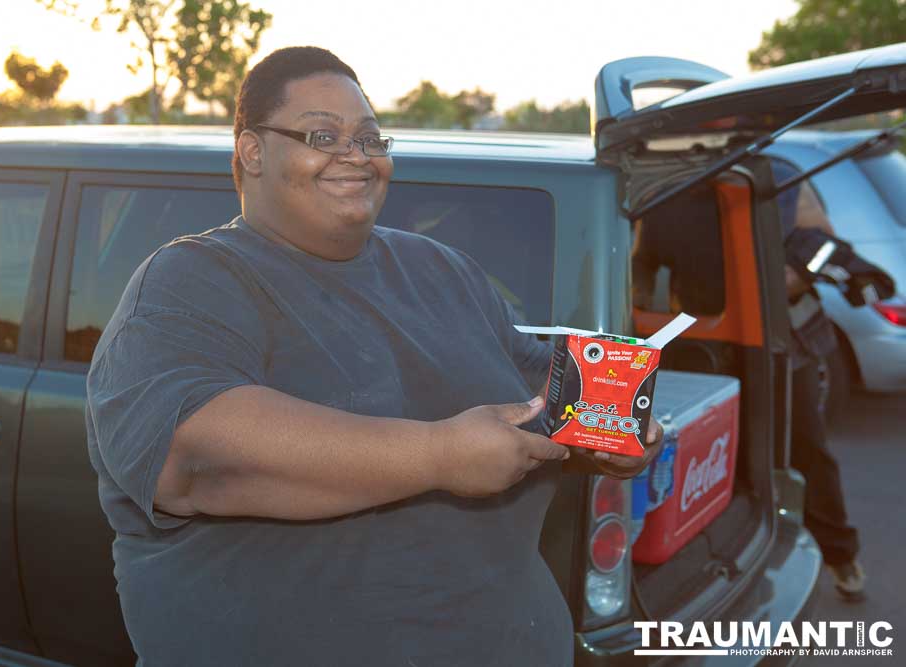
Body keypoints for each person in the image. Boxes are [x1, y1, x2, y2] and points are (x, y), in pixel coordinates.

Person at [85, 46, 662, 666]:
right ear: (252, 152)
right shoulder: (190, 279)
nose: (355, 157)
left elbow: (545, 400)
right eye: (322, 135)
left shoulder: (440, 268)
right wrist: (440, 454)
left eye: (369, 138)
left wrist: (619, 428)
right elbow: (194, 460)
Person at [771, 160, 865, 602]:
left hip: (793, 344)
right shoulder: (673, 177)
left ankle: (840, 556)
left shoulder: (782, 171)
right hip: (722, 346)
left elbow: (823, 242)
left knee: (809, 448)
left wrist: (797, 270)